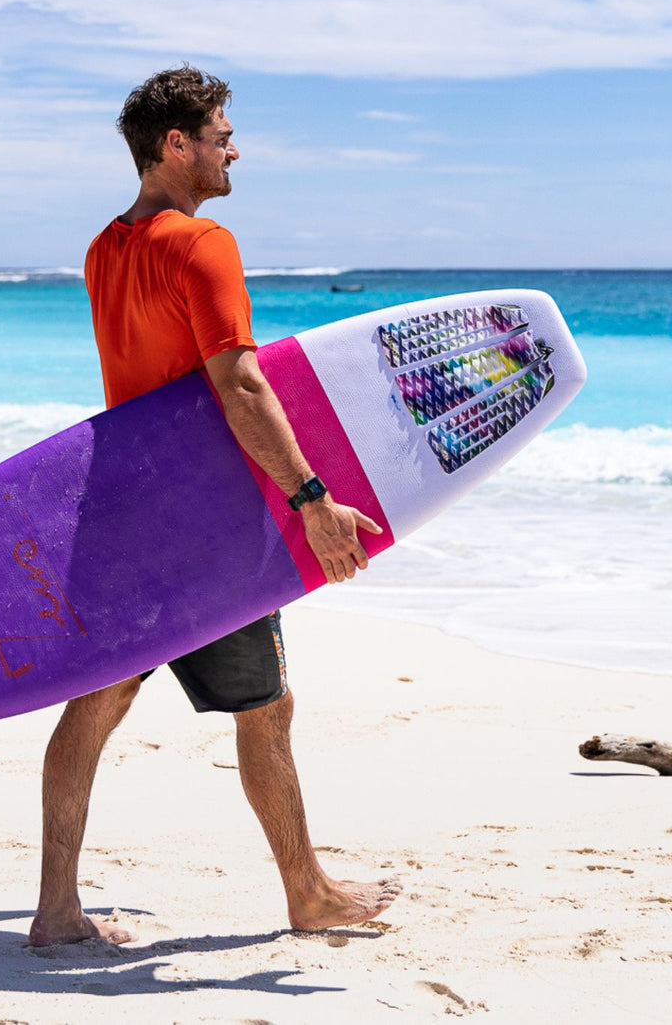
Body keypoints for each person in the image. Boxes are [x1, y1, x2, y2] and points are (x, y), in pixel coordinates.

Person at [28, 66, 403, 947]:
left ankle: (56, 909)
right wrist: (311, 498)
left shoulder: (103, 247)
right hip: (206, 523)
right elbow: (238, 383)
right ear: (177, 144)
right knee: (265, 706)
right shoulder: (204, 244)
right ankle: (307, 892)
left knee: (94, 703)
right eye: (222, 132)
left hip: (123, 508)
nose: (236, 147)